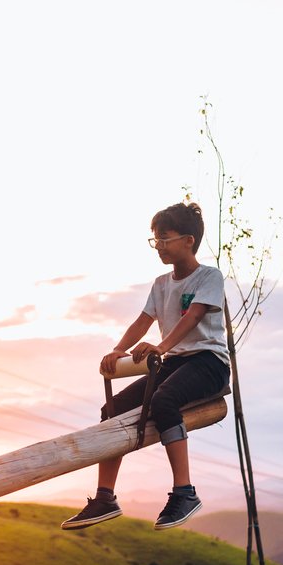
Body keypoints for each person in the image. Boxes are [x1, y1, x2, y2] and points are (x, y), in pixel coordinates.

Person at [61, 201, 232, 532]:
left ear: (188, 240)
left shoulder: (209, 277)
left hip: (208, 362)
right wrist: (118, 350)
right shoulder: (160, 284)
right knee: (111, 408)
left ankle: (185, 492)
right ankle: (105, 497)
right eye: (155, 239)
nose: (159, 246)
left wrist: (162, 346)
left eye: (165, 238)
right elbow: (144, 320)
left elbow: (194, 315)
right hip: (176, 362)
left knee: (163, 400)